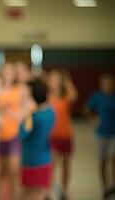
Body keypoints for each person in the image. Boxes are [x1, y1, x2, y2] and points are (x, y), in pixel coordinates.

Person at [19, 79, 55, 200]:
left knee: (30, 194)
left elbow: (22, 134)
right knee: (39, 193)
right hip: (45, 159)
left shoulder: (34, 117)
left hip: (32, 161)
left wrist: (24, 116)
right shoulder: (50, 111)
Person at [47, 69, 78, 200]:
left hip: (66, 136)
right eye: (51, 79)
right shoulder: (47, 96)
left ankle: (64, 191)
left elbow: (74, 94)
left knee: (66, 165)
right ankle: (48, 192)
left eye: (55, 79)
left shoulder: (66, 96)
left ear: (60, 81)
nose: (52, 81)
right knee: (51, 165)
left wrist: (66, 79)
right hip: (52, 136)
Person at [0, 62, 22, 200]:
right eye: (5, 71)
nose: (8, 74)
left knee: (13, 173)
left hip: (14, 136)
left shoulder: (19, 90)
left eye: (11, 72)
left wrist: (8, 111)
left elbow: (23, 114)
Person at [84, 74, 115, 200]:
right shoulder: (98, 96)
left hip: (114, 134)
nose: (107, 86)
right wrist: (93, 119)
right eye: (104, 84)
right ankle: (105, 187)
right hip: (102, 133)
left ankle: (113, 184)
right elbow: (86, 109)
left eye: (109, 84)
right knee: (102, 161)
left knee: (113, 159)